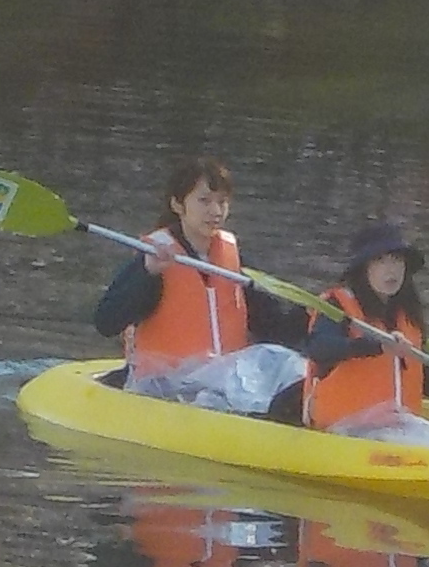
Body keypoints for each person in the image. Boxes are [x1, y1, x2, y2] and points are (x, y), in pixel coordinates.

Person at [113, 159, 306, 418]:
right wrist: (147, 274)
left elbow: (273, 327)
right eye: (204, 201)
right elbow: (107, 320)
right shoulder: (153, 257)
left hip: (222, 385)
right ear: (177, 204)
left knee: (289, 363)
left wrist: (314, 315)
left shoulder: (233, 260)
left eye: (222, 202)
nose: (216, 211)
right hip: (164, 385)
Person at [292, 219, 429, 446]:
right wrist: (375, 345)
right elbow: (318, 348)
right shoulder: (338, 306)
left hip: (395, 428)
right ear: (363, 269)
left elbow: (425, 374)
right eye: (380, 260)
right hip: (345, 432)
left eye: (397, 260)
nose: (391, 269)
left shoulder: (405, 314)